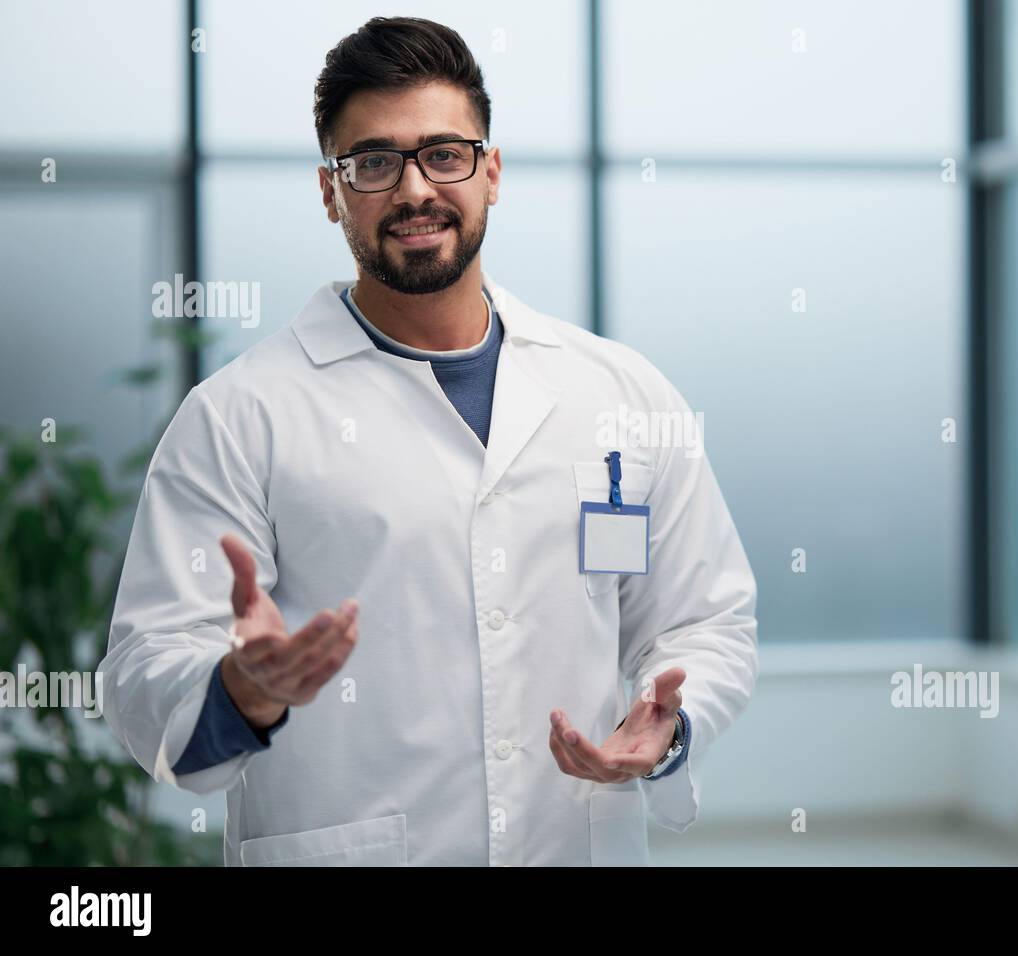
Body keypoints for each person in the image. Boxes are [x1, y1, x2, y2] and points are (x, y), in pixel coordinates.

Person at [101, 16, 757, 867]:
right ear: (332, 191)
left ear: (490, 171)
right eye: (373, 162)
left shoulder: (620, 394)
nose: (414, 189)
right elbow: (145, 661)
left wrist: (671, 722)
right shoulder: (237, 415)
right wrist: (239, 692)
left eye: (443, 154)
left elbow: (706, 617)